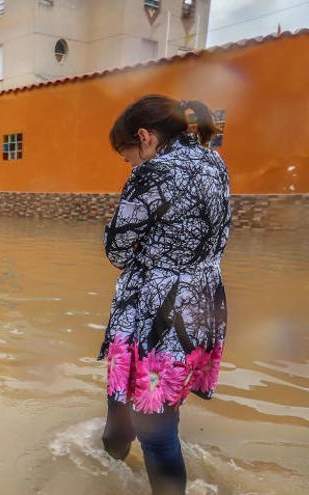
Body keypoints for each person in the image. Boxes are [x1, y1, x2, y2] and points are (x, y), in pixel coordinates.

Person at [99, 95, 230, 494]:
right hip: (203, 304)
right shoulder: (215, 162)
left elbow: (117, 250)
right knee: (134, 403)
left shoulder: (152, 173)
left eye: (129, 157)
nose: (132, 165)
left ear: (145, 137)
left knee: (154, 429)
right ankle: (107, 471)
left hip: (158, 311)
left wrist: (142, 245)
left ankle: (119, 466)